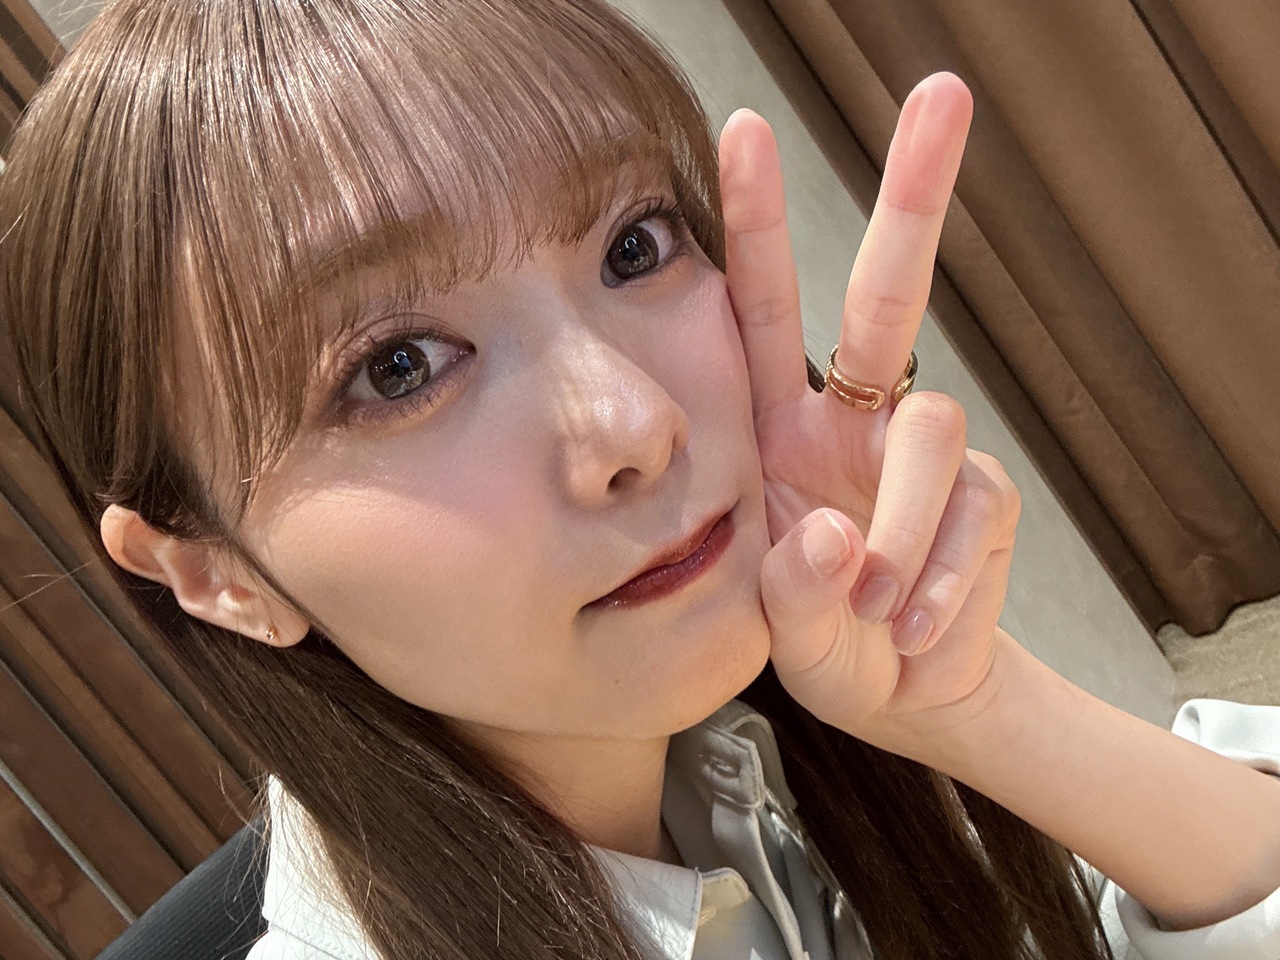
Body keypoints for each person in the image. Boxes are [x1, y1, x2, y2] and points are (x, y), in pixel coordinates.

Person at [1, 1, 1277, 958]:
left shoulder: (739, 767)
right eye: (396, 368)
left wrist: (980, 709)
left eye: (633, 245)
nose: (637, 424)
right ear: (213, 573)